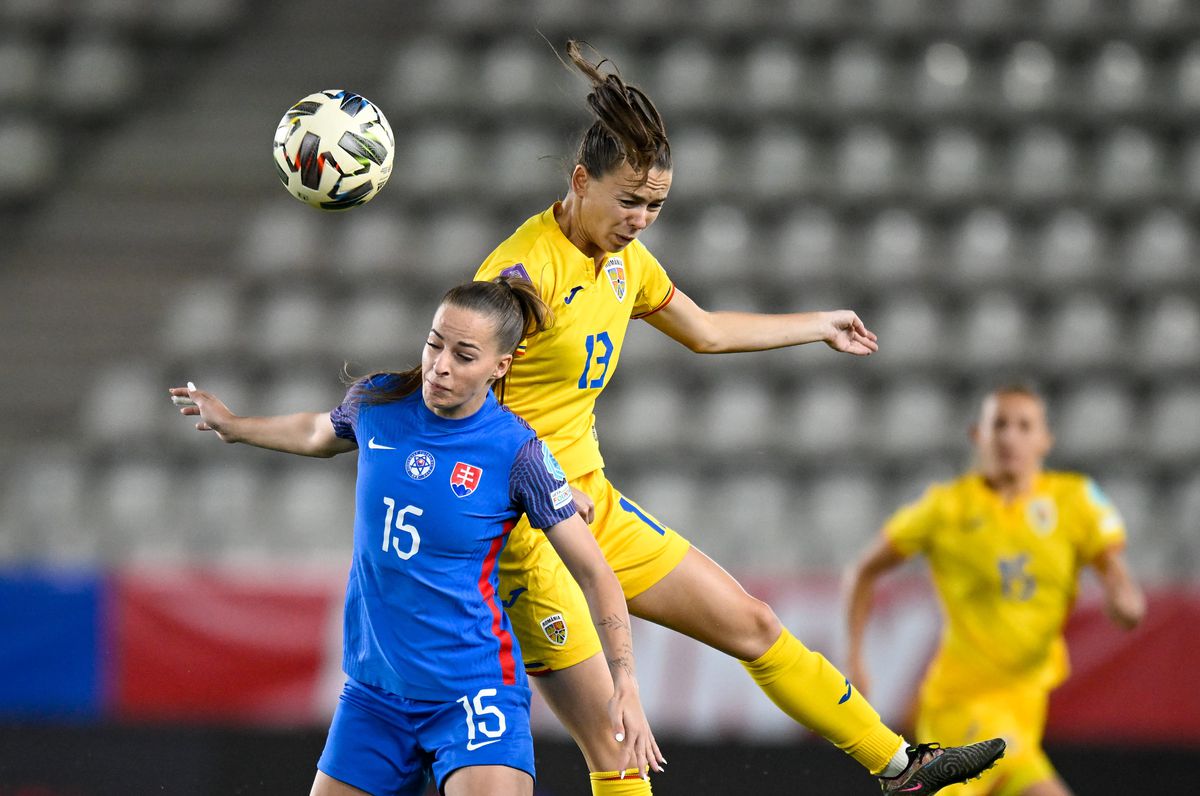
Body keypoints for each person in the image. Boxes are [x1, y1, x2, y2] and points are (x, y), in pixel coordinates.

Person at [470, 40, 1005, 795]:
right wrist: (531, 484)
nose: (641, 220)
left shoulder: (624, 260)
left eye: (655, 205)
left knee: (753, 624)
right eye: (629, 201)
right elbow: (461, 404)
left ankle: (901, 769)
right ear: (581, 181)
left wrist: (817, 323)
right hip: (529, 529)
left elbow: (707, 331)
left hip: (595, 505)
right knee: (618, 747)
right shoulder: (520, 276)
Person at [168, 276, 662, 796]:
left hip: (473, 694)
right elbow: (319, 432)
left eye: (464, 355)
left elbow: (594, 573)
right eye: (434, 343)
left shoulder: (518, 453)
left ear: (501, 366)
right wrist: (235, 425)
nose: (440, 365)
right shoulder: (378, 402)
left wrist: (624, 681)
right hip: (375, 696)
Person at [845, 384, 1146, 795]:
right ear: (977, 435)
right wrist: (855, 657)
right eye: (999, 424)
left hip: (1025, 704)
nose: (1009, 436)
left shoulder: (1076, 500)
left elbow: (1112, 567)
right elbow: (863, 571)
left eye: (1024, 426)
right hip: (964, 704)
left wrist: (1123, 595)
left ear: (1045, 439)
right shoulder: (945, 507)